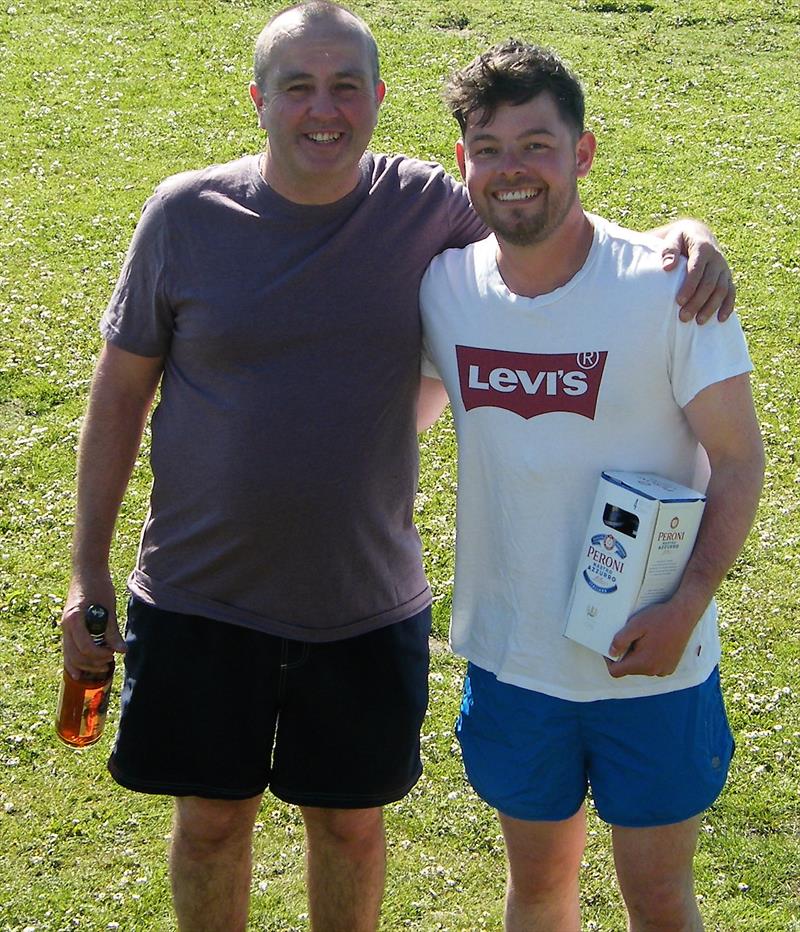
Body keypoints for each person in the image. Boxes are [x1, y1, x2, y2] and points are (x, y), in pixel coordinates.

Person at [60, 3, 737, 930]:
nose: (322, 109)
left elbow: (550, 212)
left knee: (351, 830)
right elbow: (119, 397)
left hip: (365, 602)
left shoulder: (424, 209)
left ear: (379, 98)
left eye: (346, 86)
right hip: (199, 594)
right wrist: (86, 571)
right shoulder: (187, 215)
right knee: (211, 824)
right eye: (298, 86)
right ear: (259, 99)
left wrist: (687, 233)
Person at [418, 40, 764, 931]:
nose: (513, 169)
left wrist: (687, 604)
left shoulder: (671, 288)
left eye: (538, 144)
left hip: (653, 663)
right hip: (514, 658)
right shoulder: (443, 291)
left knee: (656, 896)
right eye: (489, 148)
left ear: (584, 152)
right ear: (464, 163)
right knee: (538, 890)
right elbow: (388, 425)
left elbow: (740, 460)